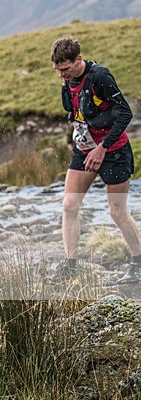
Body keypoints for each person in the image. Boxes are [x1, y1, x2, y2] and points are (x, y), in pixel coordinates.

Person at [51, 36, 141, 284]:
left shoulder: (99, 77)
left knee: (117, 212)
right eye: (57, 70)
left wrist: (102, 148)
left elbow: (125, 113)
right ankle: (70, 266)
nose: (61, 75)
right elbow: (76, 116)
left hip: (113, 151)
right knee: (69, 206)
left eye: (65, 69)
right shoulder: (66, 84)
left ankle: (139, 264)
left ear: (78, 60)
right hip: (84, 150)